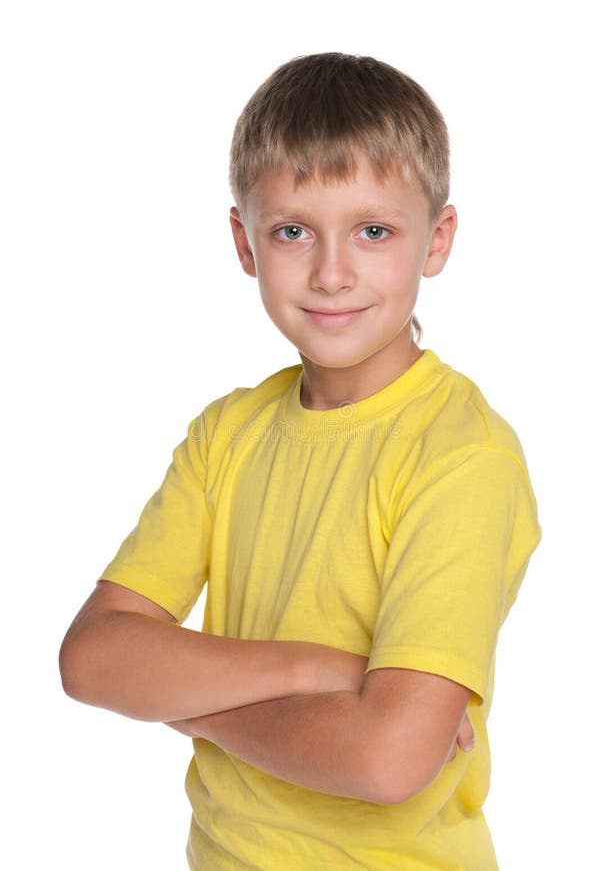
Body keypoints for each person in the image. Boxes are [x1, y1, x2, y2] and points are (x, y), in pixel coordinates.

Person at [59, 52, 542, 870]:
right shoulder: (227, 434)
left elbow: (388, 762)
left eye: (374, 231)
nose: (331, 272)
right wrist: (320, 671)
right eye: (292, 231)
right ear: (245, 243)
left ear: (438, 239)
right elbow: (93, 658)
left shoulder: (462, 457)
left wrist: (190, 707)